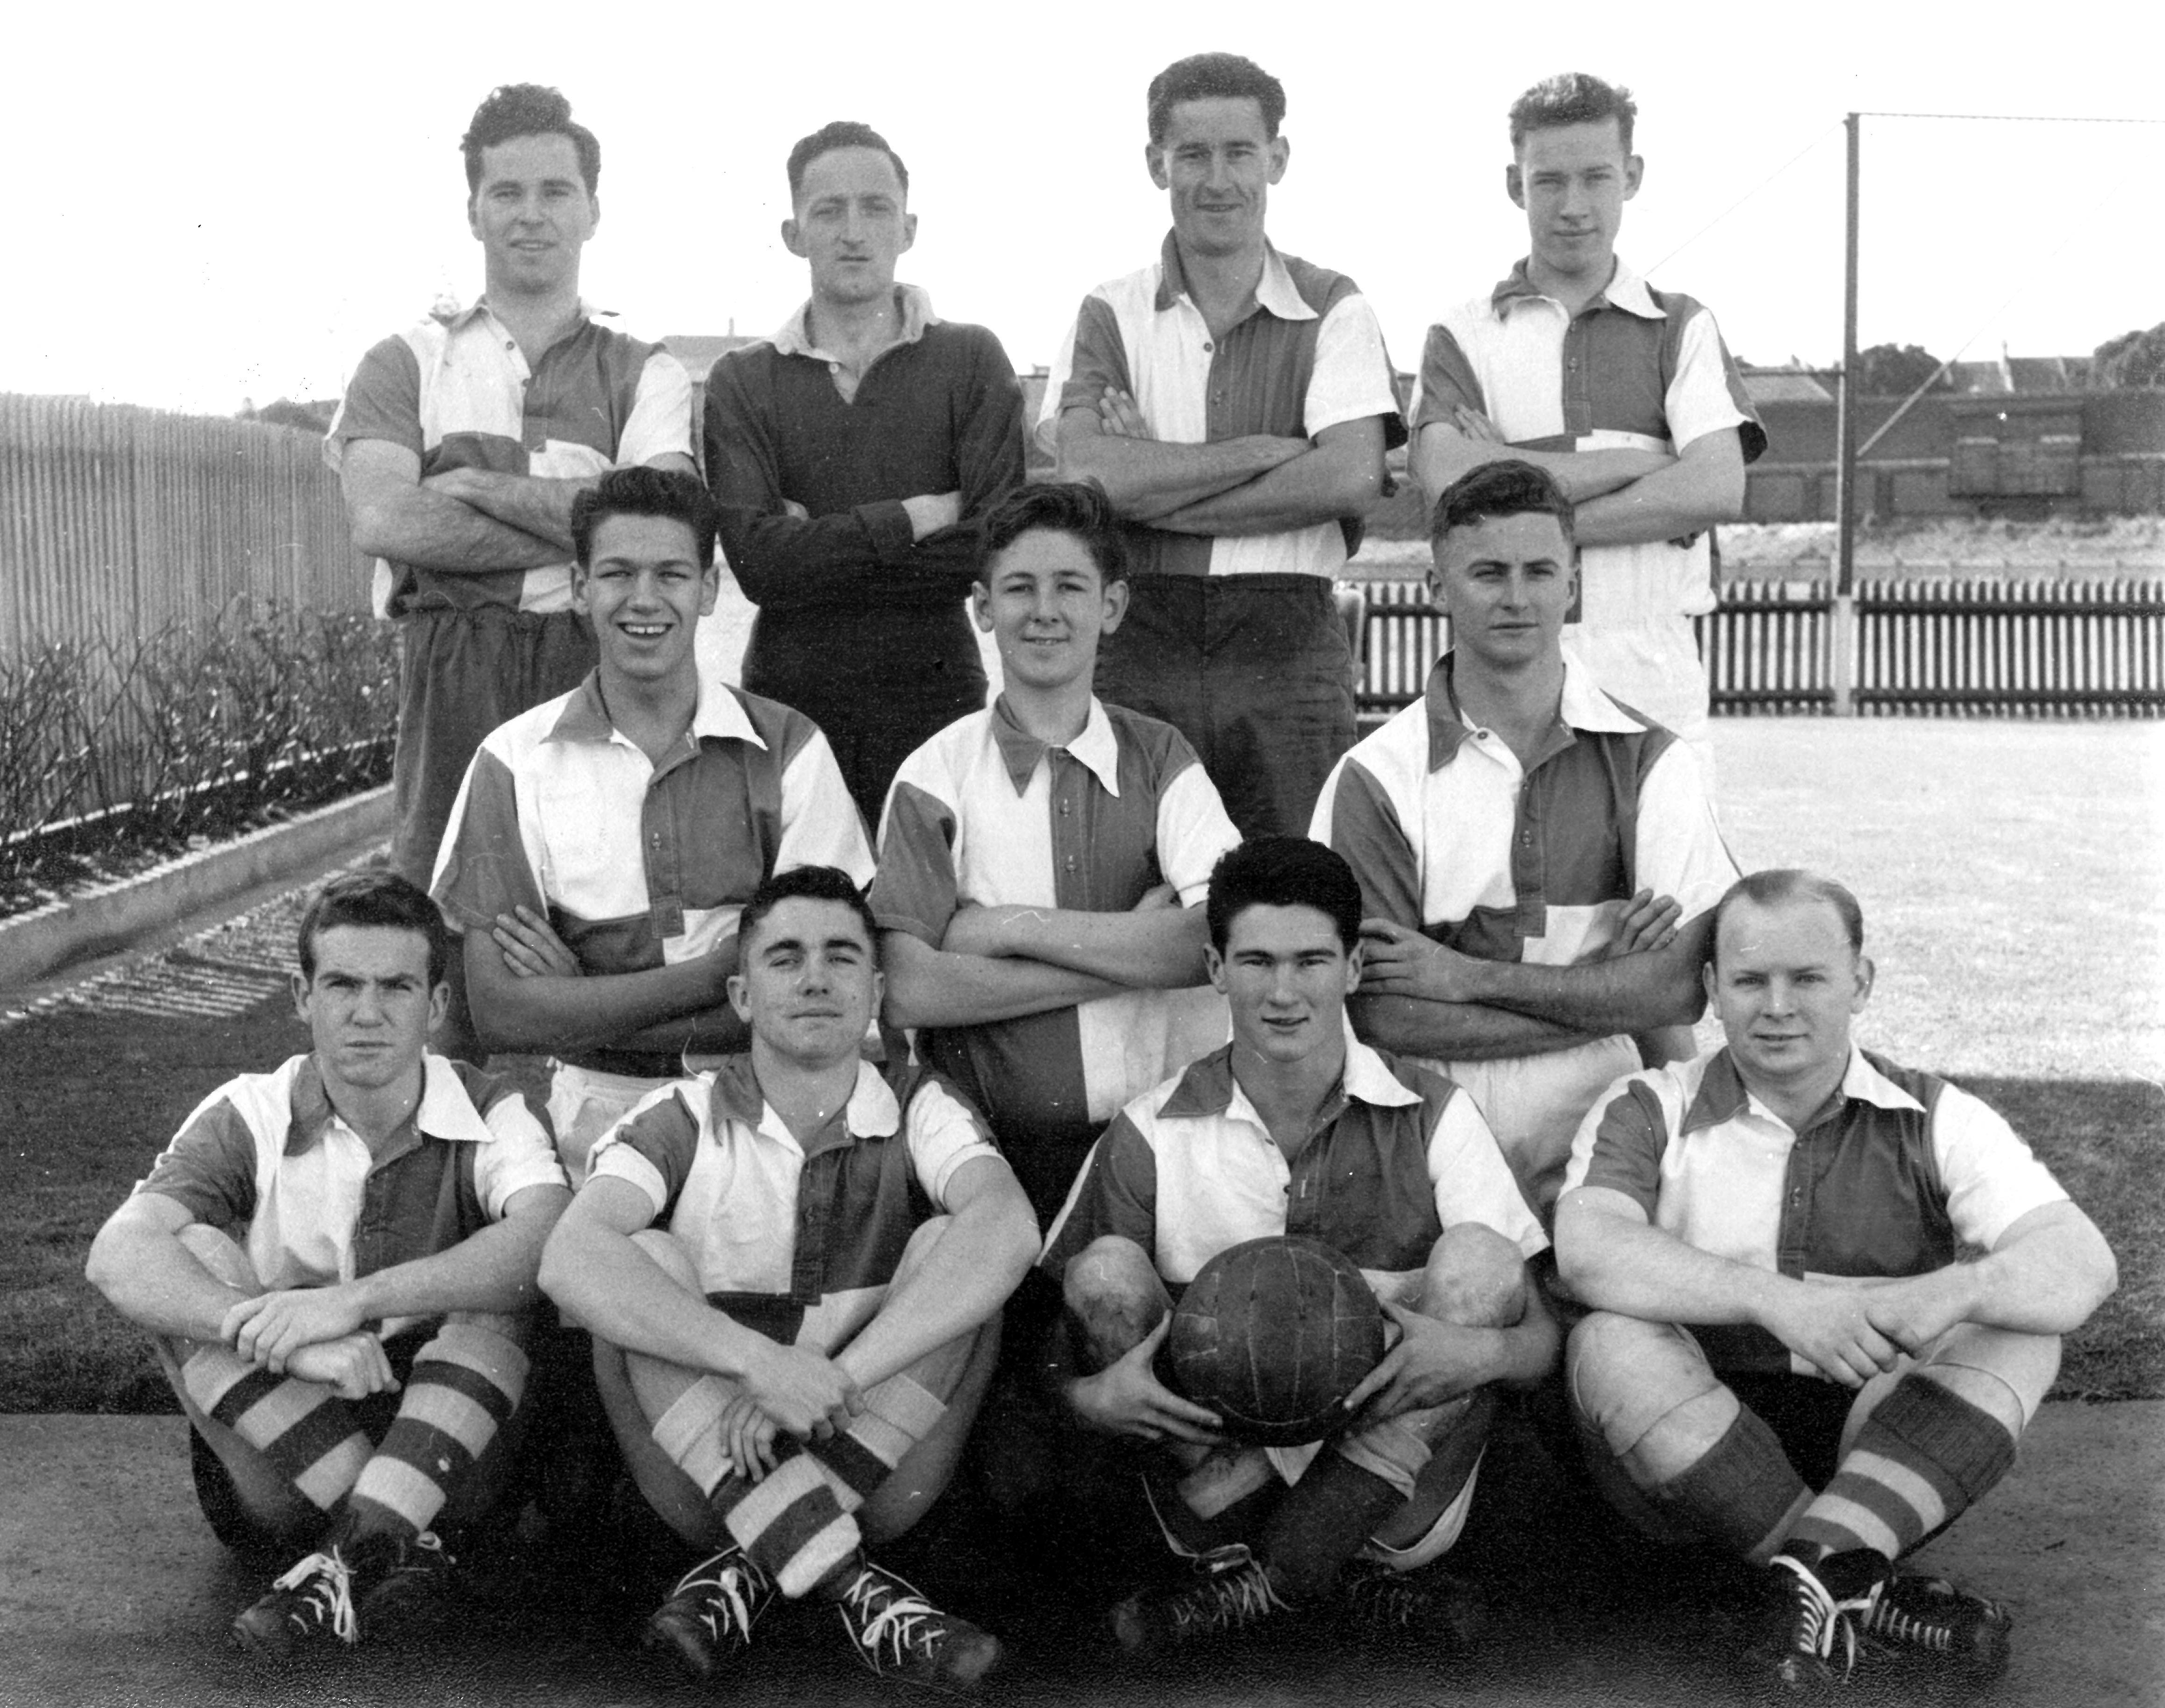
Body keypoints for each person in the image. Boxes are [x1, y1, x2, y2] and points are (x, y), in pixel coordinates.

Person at [1553, 869, 2116, 1692]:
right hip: (1677, 1459)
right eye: (1749, 980)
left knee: (2019, 1327)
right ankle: (1852, 1579)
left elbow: (2081, 1263)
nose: (1776, 1006)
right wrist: (1776, 1301)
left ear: (1860, 984)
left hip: (1870, 1443)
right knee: (1606, 1337)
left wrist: (1950, 1293)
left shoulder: (1937, 1114)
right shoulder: (1645, 1104)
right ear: (1712, 988)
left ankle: (1798, 1590)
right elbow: (1588, 1249)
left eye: (1807, 978)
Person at [1041, 837, 1553, 1654]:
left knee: (1485, 1259)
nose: (1284, 993)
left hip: (1397, 1494)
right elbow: (1057, 1338)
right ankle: (1325, 1574)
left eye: (1311, 961)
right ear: (1214, 969)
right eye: (1256, 962)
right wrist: (1086, 1398)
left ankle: (1275, 1579)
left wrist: (1479, 1356)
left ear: (1352, 967)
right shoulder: (1150, 1127)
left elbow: (1540, 1342)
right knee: (1102, 1269)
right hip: (1214, 1489)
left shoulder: (1434, 1115)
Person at [537, 865, 1039, 1692]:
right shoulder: (681, 1113)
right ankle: (854, 1587)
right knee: (638, 1258)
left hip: (874, 1455)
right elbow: (568, 1258)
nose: (814, 977)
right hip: (706, 1469)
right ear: (740, 994)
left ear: (876, 990)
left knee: (961, 1244)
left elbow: (1009, 1227)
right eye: (785, 958)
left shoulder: (919, 1104)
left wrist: (833, 1379)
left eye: (842, 957)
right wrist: (758, 1364)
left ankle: (751, 1571)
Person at [83, 873, 570, 1658]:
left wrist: (353, 1302)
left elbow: (551, 1236)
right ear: (302, 997)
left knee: (501, 1279)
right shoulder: (251, 1109)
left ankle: (359, 1549)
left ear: (436, 1006)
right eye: (341, 984)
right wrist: (290, 1341)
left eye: (397, 987)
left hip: (455, 1436)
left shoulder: (491, 1108)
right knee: (189, 1255)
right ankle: (391, 1536)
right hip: (286, 1439)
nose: (367, 1013)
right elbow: (116, 1255)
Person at [1313, 460, 1735, 1213]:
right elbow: (1381, 1011)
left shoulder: (1651, 762)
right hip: (1427, 1130)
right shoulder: (1374, 777)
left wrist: (1466, 976)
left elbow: (1676, 990)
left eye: (1540, 571)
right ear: (1435, 588)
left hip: (1607, 1122)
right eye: (1487, 573)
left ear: (1572, 587)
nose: (1516, 597)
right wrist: (1611, 994)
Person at [430, 465, 872, 1184]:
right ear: (579, 588)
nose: (644, 599)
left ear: (709, 589)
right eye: (616, 573)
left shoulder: (790, 749)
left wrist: (577, 999)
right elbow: (505, 1015)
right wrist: (720, 972)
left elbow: (812, 1000)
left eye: (671, 574)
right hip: (591, 1118)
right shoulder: (512, 762)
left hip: (768, 1099)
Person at [327, 84, 695, 916]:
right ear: (473, 212)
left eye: (556, 191)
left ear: (593, 209)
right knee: (445, 910)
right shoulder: (404, 362)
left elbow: (665, 525)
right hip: (452, 661)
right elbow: (384, 519)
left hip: (594, 658)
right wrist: (589, 529)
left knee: (604, 906)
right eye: (508, 193)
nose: (532, 215)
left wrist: (475, 487)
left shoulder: (647, 368)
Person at [1041, 53, 1402, 840]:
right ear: (1155, 163)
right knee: (1137, 880)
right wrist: (1259, 453)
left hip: (1289, 632)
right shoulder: (1109, 311)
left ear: (1276, 159)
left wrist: (1152, 485)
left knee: (1293, 887)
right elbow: (1087, 476)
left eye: (1239, 153)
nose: (1217, 180)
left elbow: (1347, 476)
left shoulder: (1334, 305)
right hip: (1141, 627)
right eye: (1192, 155)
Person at [871, 481, 1243, 1225]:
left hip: (1156, 1142)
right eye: (1019, 588)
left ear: (1111, 607)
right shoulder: (933, 777)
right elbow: (911, 989)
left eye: (1069, 586)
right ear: (981, 608)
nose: (1044, 611)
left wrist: (1005, 927)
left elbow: (1220, 939)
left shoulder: (1162, 758)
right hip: (989, 1150)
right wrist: (1124, 960)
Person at [1409, 72, 1765, 784]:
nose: (1573, 206)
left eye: (1595, 178)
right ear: (1515, 185)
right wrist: (1646, 465)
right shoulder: (1462, 332)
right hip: (1508, 656)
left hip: (1651, 654)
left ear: (1630, 177)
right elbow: (1447, 482)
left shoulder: (1679, 325)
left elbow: (1717, 487)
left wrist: (1508, 482)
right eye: (1549, 182)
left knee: (1664, 886)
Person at [704, 120, 1027, 823]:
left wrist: (813, 545)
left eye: (875, 208)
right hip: (788, 700)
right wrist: (914, 517)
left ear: (908, 227)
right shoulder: (743, 380)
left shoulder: (971, 360)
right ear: (793, 234)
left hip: (936, 693)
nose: (854, 231)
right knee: (801, 914)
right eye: (828, 210)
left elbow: (990, 545)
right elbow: (760, 570)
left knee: (927, 911)